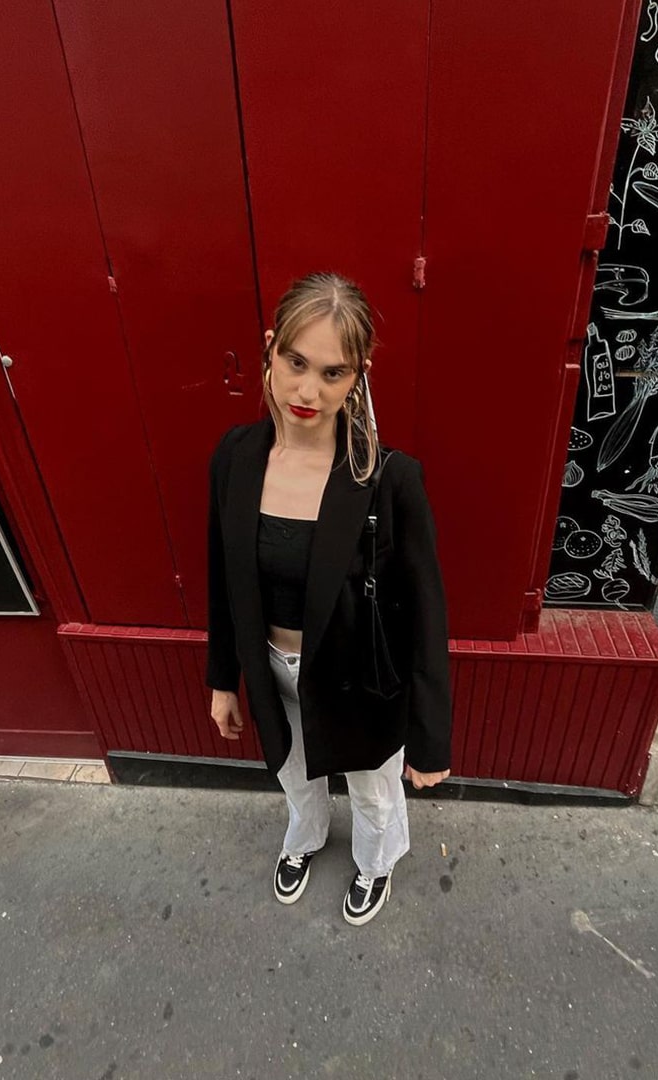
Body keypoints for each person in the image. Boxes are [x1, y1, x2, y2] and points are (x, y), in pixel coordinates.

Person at [206, 272, 452, 926]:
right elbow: (223, 576)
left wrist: (430, 741)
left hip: (360, 682)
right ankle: (306, 839)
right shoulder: (235, 456)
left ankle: (377, 863)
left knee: (374, 794)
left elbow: (426, 613)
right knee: (294, 775)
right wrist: (222, 680)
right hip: (271, 667)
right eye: (294, 363)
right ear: (270, 348)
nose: (307, 391)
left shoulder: (388, 478)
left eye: (333, 373)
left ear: (358, 377)